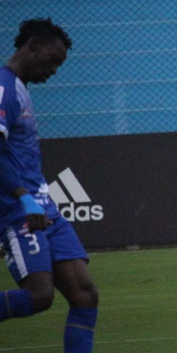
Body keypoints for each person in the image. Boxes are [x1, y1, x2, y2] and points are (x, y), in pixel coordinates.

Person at [0, 18, 98, 352]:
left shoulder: (20, 89)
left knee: (84, 294)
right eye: (52, 60)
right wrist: (23, 197)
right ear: (33, 46)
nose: (54, 70)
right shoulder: (4, 87)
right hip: (18, 209)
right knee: (39, 295)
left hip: (44, 208)